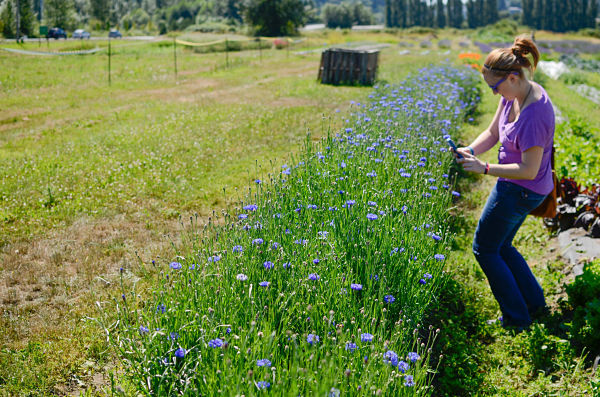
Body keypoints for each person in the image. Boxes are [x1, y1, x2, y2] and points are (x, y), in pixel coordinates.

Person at [453, 34, 554, 330]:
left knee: (485, 248)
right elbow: (493, 132)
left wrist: (484, 168)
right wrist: (470, 150)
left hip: (521, 190)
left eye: (496, 87)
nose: (495, 94)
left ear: (513, 77)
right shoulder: (515, 96)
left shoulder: (535, 113)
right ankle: (535, 305)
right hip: (520, 189)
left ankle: (516, 318)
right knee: (503, 246)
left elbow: (527, 170)